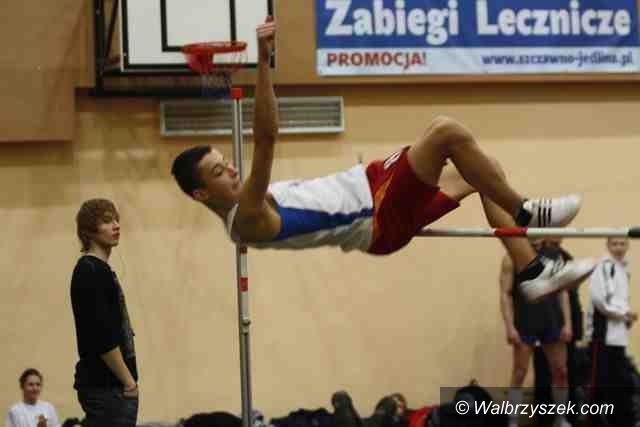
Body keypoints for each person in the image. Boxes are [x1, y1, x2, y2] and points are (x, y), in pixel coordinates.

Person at [171, 19, 595, 302]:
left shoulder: (246, 206)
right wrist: (263, 63)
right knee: (445, 131)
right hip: (377, 212)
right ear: (202, 193)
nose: (232, 169)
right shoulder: (246, 216)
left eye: (226, 161)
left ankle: (531, 271)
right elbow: (266, 138)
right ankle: (526, 210)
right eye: (219, 171)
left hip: (375, 196)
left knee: (484, 171)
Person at [501, 237, 587, 427]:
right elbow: (505, 294)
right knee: (519, 372)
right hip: (525, 322)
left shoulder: (555, 256)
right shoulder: (512, 256)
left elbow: (562, 292)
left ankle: (560, 419)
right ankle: (512, 421)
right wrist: (509, 326)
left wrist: (567, 324)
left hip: (552, 321)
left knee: (561, 372)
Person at [70, 198, 139, 427]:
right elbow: (102, 336)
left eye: (116, 220)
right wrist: (128, 382)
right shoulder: (89, 271)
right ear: (89, 230)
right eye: (107, 221)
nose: (116, 225)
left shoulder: (100, 270)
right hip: (107, 387)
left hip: (111, 386)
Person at [531, 237, 584, 427]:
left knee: (565, 371)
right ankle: (545, 418)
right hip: (542, 320)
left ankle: (566, 417)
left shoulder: (566, 257)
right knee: (543, 370)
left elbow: (569, 293)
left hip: (565, 322)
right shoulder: (534, 257)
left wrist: (570, 325)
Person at [586, 237, 637, 427]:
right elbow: (600, 301)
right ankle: (593, 420)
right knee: (599, 382)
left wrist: (627, 318)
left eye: (622, 243)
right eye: (614, 244)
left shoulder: (623, 269)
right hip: (602, 336)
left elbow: (620, 300)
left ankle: (620, 420)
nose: (619, 247)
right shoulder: (604, 266)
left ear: (627, 245)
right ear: (608, 245)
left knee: (618, 382)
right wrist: (624, 314)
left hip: (618, 337)